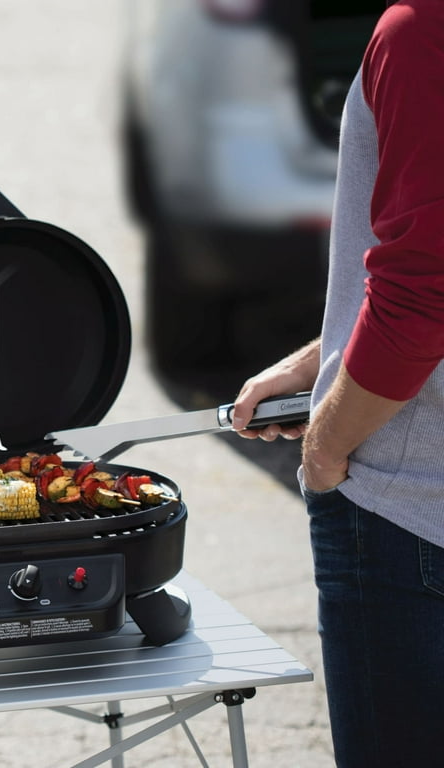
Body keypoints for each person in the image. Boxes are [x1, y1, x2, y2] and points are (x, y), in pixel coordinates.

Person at [230, 2, 444, 765]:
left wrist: (327, 445)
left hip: (411, 510)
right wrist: (324, 358)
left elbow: (423, 296)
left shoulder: (421, 30)